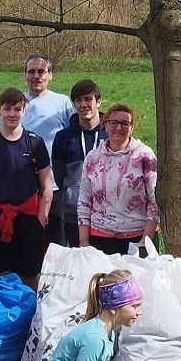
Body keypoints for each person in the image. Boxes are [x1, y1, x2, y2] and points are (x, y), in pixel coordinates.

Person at [0, 87, 54, 286]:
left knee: (29, 277)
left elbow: (46, 187)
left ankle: (29, 306)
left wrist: (39, 222)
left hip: (29, 219)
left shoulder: (35, 143)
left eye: (17, 109)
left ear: (24, 111)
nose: (12, 114)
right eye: (7, 109)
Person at [77, 103, 159, 255]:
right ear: (105, 125)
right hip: (99, 237)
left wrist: (145, 241)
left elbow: (154, 202)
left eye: (125, 123)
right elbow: (84, 201)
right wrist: (84, 243)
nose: (119, 128)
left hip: (138, 236)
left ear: (132, 128)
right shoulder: (92, 158)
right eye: (114, 123)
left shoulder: (145, 156)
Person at [49, 79, 104, 247]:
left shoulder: (111, 133)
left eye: (88, 99)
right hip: (74, 212)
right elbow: (60, 175)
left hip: (106, 214)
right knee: (78, 258)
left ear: (98, 101)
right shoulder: (63, 137)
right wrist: (72, 191)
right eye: (78, 101)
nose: (83, 105)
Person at [20, 54, 73, 164]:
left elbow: (72, 139)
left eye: (41, 71)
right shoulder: (14, 103)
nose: (36, 76)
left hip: (53, 171)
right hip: (20, 170)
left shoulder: (62, 102)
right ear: (24, 76)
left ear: (50, 75)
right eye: (31, 72)